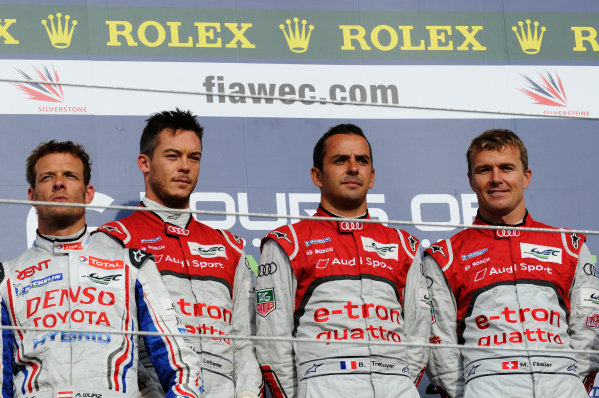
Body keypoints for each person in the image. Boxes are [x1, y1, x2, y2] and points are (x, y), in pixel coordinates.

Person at [0, 140, 202, 398]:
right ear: (32, 196)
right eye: (48, 177)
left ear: (88, 193)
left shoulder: (132, 265)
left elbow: (179, 361)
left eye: (70, 176)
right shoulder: (7, 278)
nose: (59, 183)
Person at [94, 109, 263, 398]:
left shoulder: (230, 246)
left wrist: (246, 394)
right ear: (144, 163)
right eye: (172, 156)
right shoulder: (113, 241)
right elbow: (108, 341)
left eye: (193, 157)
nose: (185, 166)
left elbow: (245, 341)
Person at [255, 124, 430, 398]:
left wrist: (400, 382)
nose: (353, 168)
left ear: (371, 177)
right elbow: (271, 342)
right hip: (324, 384)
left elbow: (420, 334)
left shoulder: (404, 245)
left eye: (362, 161)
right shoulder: (289, 242)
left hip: (396, 384)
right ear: (317, 176)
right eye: (340, 160)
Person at [424, 129, 599, 398]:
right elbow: (440, 347)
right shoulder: (446, 255)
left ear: (526, 177)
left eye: (507, 168)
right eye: (484, 170)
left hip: (563, 387)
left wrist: (570, 384)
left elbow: (590, 325)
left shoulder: (569, 245)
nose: (496, 179)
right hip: (488, 389)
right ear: (471, 181)